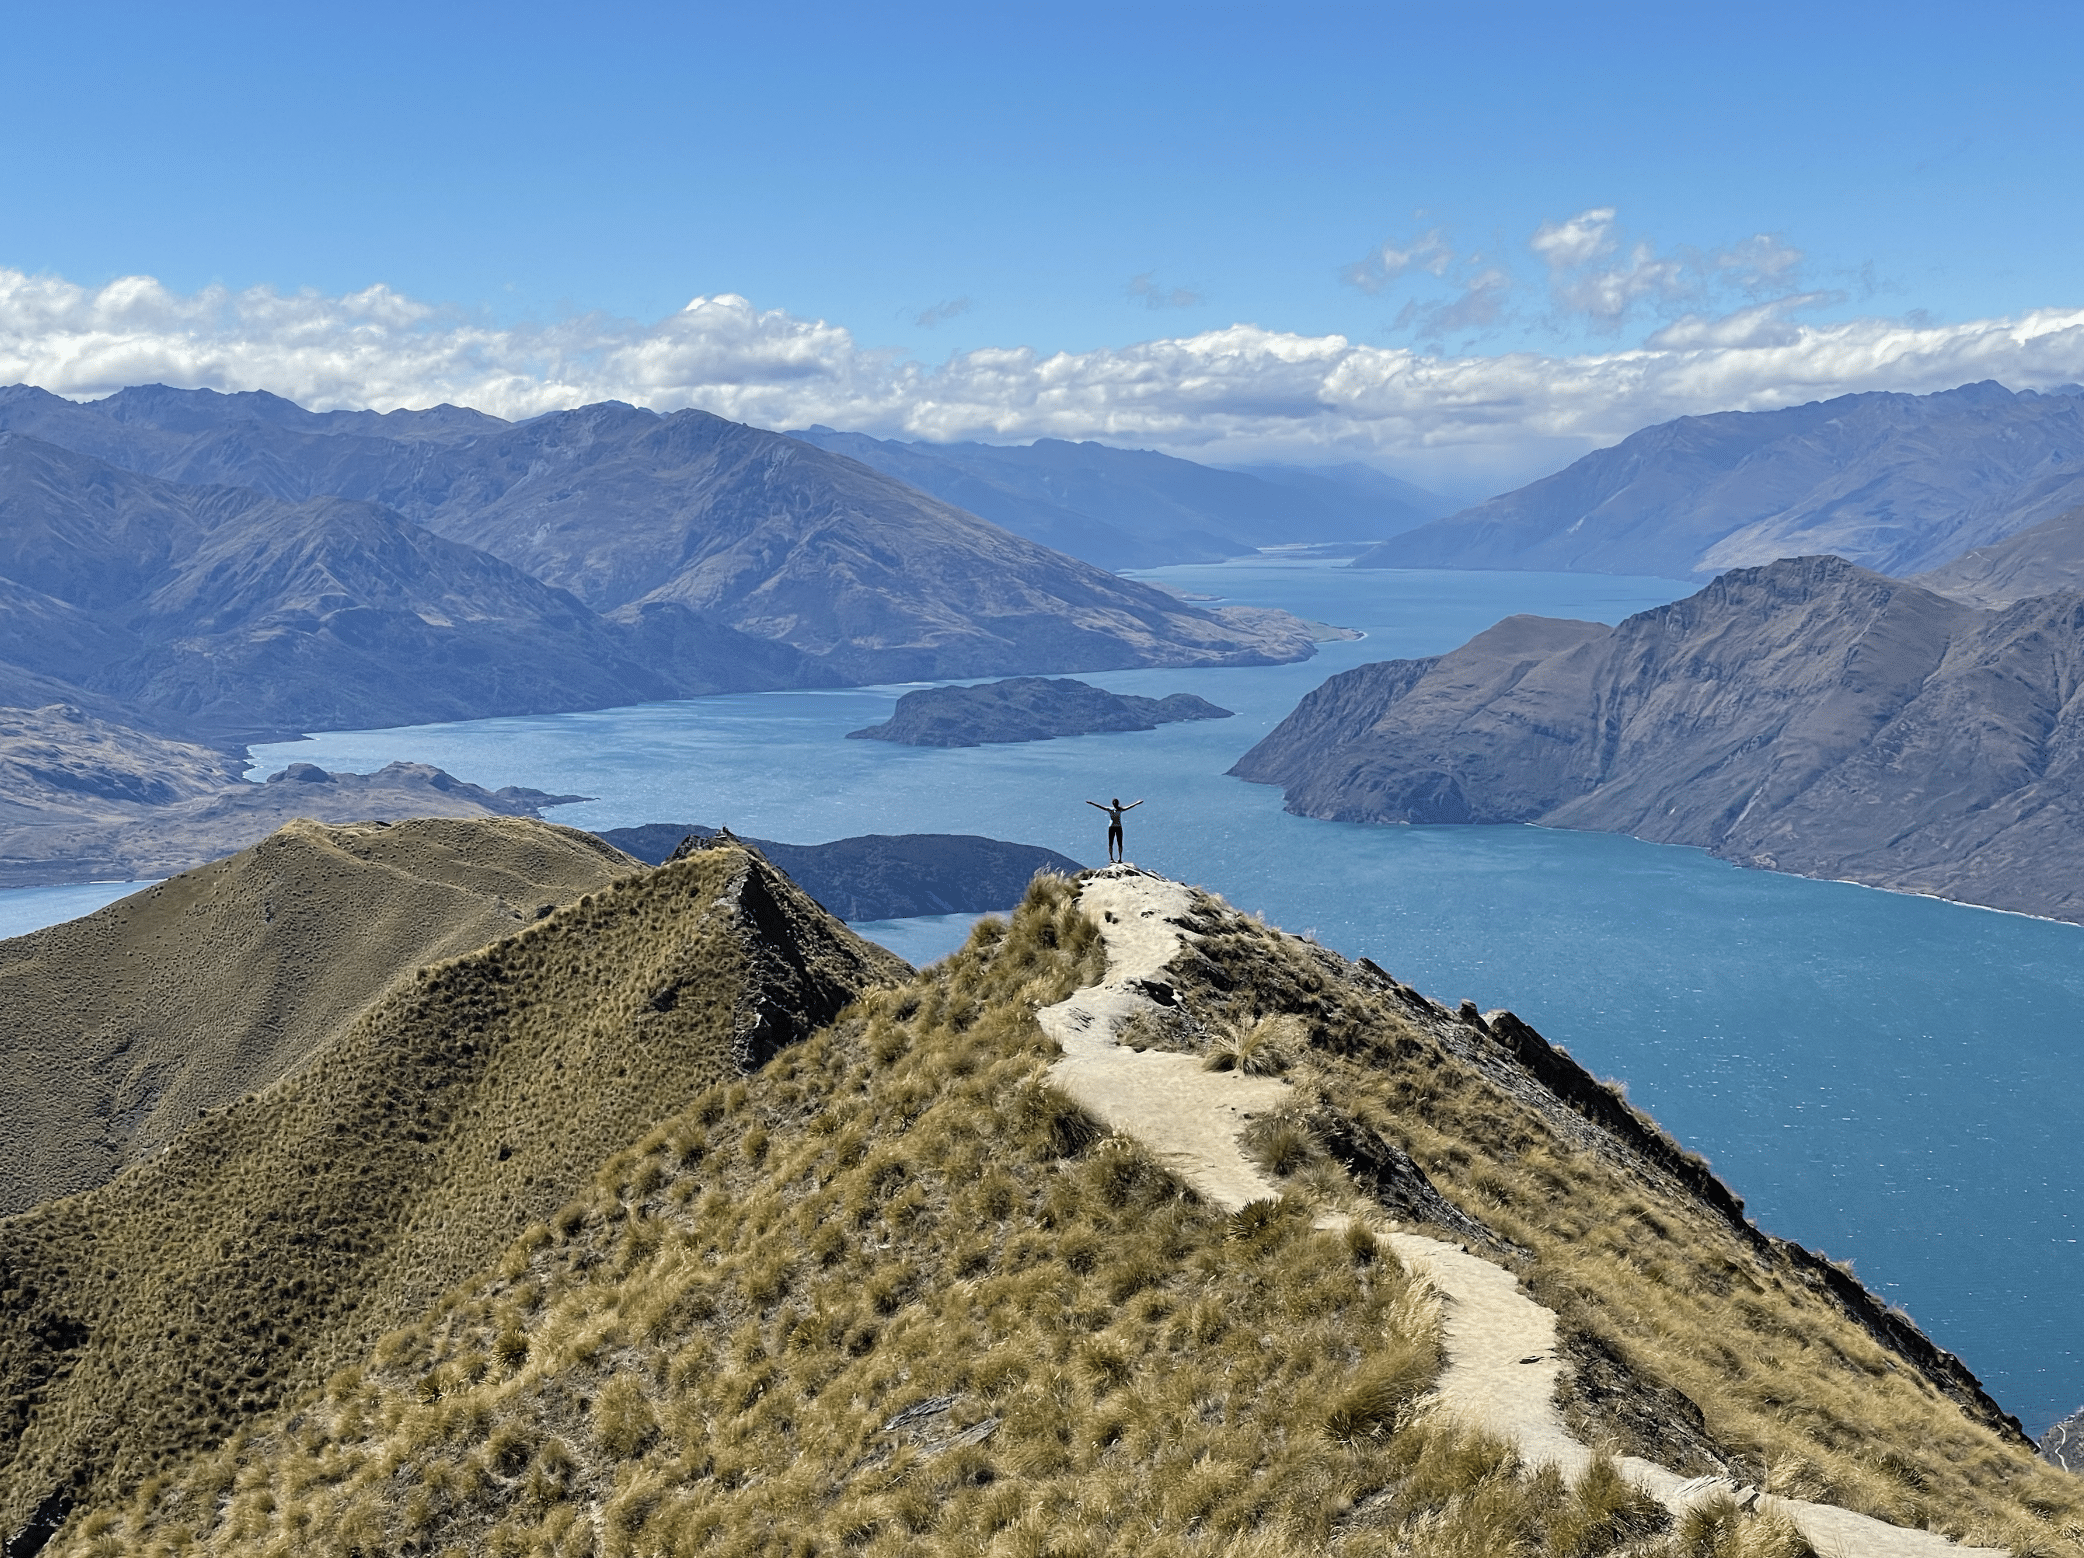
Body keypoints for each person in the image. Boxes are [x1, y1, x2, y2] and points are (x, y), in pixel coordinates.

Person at [1086, 796, 1143, 863]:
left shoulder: (1119, 810)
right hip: (1113, 827)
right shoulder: (1111, 809)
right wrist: (1092, 803)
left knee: (1119, 843)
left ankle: (1119, 858)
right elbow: (1101, 807)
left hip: (1117, 827)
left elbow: (1129, 807)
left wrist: (1137, 803)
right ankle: (1112, 858)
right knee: (1111, 843)